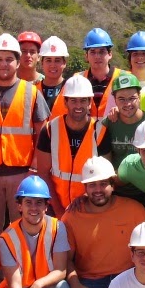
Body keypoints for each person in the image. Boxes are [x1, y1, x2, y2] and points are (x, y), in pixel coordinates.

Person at [61, 157, 145, 288]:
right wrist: (75, 284)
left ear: (113, 185)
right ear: (85, 188)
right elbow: (65, 259)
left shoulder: (133, 209)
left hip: (129, 277)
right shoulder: (72, 216)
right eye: (92, 185)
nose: (98, 190)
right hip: (93, 283)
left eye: (103, 184)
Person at [0, 34, 50, 239]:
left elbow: (42, 134)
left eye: (9, 59)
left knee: (22, 228)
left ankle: (23, 269)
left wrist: (35, 168)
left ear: (18, 62)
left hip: (22, 172)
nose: (4, 64)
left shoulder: (32, 92)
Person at [33, 74, 105, 217]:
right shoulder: (50, 130)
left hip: (90, 206)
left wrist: (85, 199)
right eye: (73, 100)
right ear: (65, 102)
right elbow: (43, 174)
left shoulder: (101, 131)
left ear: (90, 102)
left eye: (83, 100)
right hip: (55, 205)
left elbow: (105, 177)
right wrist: (59, 210)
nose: (78, 105)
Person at [97, 72, 145, 172]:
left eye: (132, 98)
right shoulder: (107, 124)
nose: (127, 104)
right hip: (117, 183)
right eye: (121, 99)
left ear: (139, 97)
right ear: (114, 99)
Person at [81, 27, 121, 119]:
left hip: (113, 132)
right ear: (86, 56)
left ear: (110, 54)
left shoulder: (124, 78)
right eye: (93, 52)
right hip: (86, 133)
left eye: (102, 52)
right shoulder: (78, 79)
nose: (97, 56)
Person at [38, 35, 70, 119]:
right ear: (42, 63)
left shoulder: (71, 89)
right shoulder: (33, 90)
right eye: (48, 60)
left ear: (64, 63)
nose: (53, 65)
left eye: (57, 60)